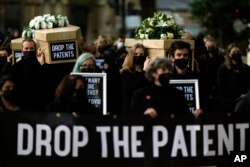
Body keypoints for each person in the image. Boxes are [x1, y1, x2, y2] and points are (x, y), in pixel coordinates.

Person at [1, 38, 53, 112]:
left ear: (35, 50)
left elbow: (46, 80)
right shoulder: (17, 66)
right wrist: (8, 63)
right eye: (26, 48)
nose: (29, 51)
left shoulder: (41, 64)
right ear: (22, 49)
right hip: (23, 105)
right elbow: (5, 78)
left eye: (31, 48)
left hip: (39, 104)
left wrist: (42, 64)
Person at [168, 40, 205, 117]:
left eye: (185, 55)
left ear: (188, 57)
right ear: (172, 58)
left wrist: (201, 110)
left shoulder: (197, 78)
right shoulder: (167, 78)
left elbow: (204, 99)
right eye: (179, 55)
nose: (182, 58)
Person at [217, 42, 250, 113]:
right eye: (234, 52)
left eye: (238, 52)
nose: (236, 53)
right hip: (228, 105)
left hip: (244, 104)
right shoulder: (223, 69)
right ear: (229, 54)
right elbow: (222, 88)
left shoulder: (247, 68)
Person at [120, 43, 149, 114]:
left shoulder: (146, 71)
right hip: (130, 108)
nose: (138, 56)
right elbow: (132, 88)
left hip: (143, 107)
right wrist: (144, 71)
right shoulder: (126, 71)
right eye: (136, 54)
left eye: (141, 55)